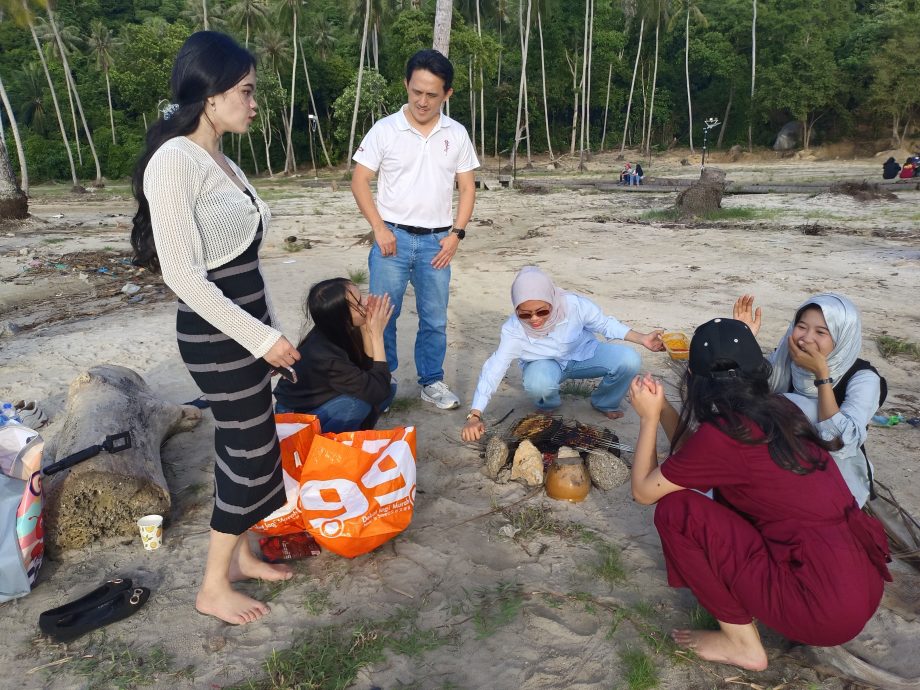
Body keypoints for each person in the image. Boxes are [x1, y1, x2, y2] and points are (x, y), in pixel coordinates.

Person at [131, 31, 301, 625]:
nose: (254, 103)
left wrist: (274, 331)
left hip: (246, 329)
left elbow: (247, 267)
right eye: (246, 91)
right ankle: (211, 585)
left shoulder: (220, 159)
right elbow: (183, 275)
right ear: (210, 95)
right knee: (252, 453)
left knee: (245, 445)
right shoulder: (174, 160)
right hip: (216, 337)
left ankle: (243, 555)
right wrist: (262, 338)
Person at [628, 318, 890, 671]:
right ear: (759, 371)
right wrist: (663, 411)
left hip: (821, 608)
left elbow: (644, 492)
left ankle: (742, 644)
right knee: (713, 499)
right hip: (861, 585)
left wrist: (646, 420)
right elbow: (699, 459)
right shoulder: (783, 409)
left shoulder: (725, 435)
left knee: (675, 509)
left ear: (692, 375)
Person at [352, 49, 479, 411]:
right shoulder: (385, 129)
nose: (423, 101)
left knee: (435, 317)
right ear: (407, 85)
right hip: (391, 237)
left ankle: (431, 381)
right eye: (417, 91)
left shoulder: (456, 134)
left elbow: (467, 187)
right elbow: (360, 180)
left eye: (432, 94)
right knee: (380, 316)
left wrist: (456, 234)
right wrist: (378, 228)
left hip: (437, 242)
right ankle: (382, 381)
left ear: (447, 94)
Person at [460, 266, 663, 442]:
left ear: (551, 300)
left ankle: (604, 402)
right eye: (524, 314)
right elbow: (494, 368)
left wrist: (642, 338)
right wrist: (475, 415)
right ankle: (548, 404)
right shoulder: (512, 330)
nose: (534, 319)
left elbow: (605, 324)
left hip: (583, 355)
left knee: (629, 360)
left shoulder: (574, 305)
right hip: (546, 365)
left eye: (542, 311)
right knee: (537, 382)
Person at [733, 293, 884, 507]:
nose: (806, 339)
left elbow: (841, 443)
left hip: (833, 474)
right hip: (780, 461)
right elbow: (744, 394)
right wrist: (744, 341)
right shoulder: (785, 358)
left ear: (842, 337)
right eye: (801, 327)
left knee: (795, 404)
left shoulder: (863, 379)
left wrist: (822, 375)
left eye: (821, 332)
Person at [273, 279, 395, 432]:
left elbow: (369, 372)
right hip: (293, 417)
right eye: (358, 304)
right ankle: (326, 444)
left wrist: (366, 328)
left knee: (389, 386)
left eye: (361, 296)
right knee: (358, 403)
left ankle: (355, 434)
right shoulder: (324, 355)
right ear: (341, 316)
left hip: (321, 402)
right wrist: (377, 336)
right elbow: (378, 390)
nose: (365, 303)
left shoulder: (338, 329)